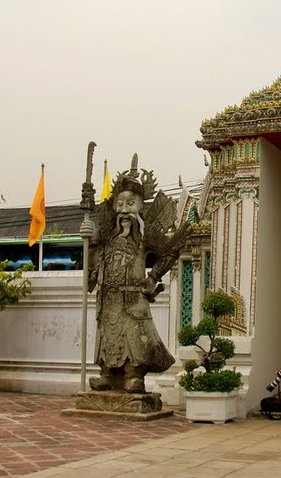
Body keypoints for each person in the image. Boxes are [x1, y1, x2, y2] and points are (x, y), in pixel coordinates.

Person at [78, 165, 187, 395]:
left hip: (133, 299)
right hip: (109, 299)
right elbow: (93, 265)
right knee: (108, 335)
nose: (124, 210)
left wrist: (153, 276)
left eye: (131, 204)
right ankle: (107, 375)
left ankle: (133, 376)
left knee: (134, 338)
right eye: (120, 204)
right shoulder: (108, 236)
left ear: (140, 205)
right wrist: (91, 239)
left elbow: (170, 250)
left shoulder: (145, 234)